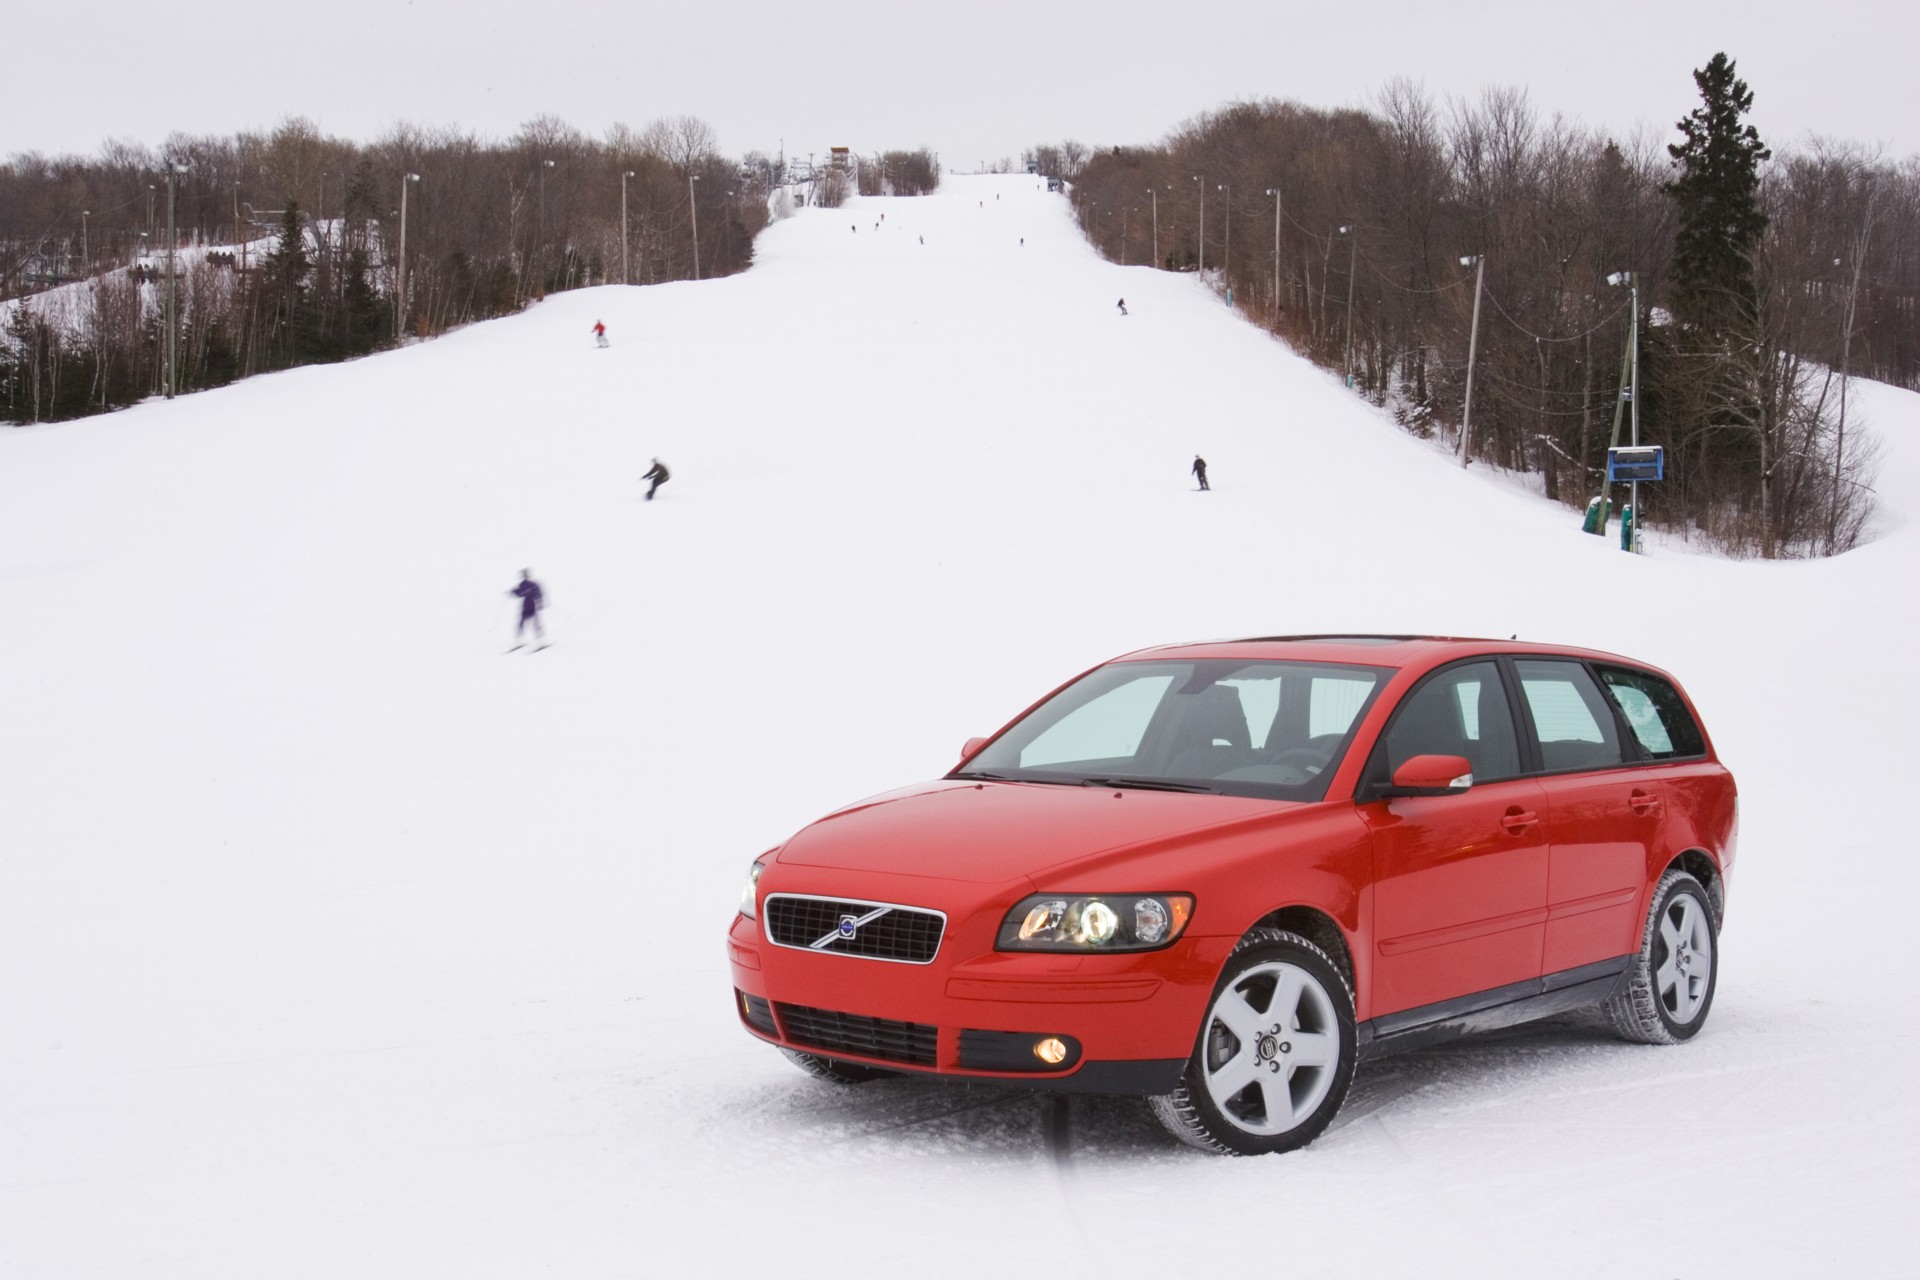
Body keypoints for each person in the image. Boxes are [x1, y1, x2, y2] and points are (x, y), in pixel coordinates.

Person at [508, 570, 546, 647]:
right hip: (526, 605)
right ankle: (520, 641)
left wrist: (540, 603)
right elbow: (520, 594)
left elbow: (539, 593)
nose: (524, 577)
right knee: (522, 623)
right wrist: (512, 592)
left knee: (535, 623)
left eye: (525, 575)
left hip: (532, 605)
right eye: (523, 575)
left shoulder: (533, 584)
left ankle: (541, 641)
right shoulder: (522, 584)